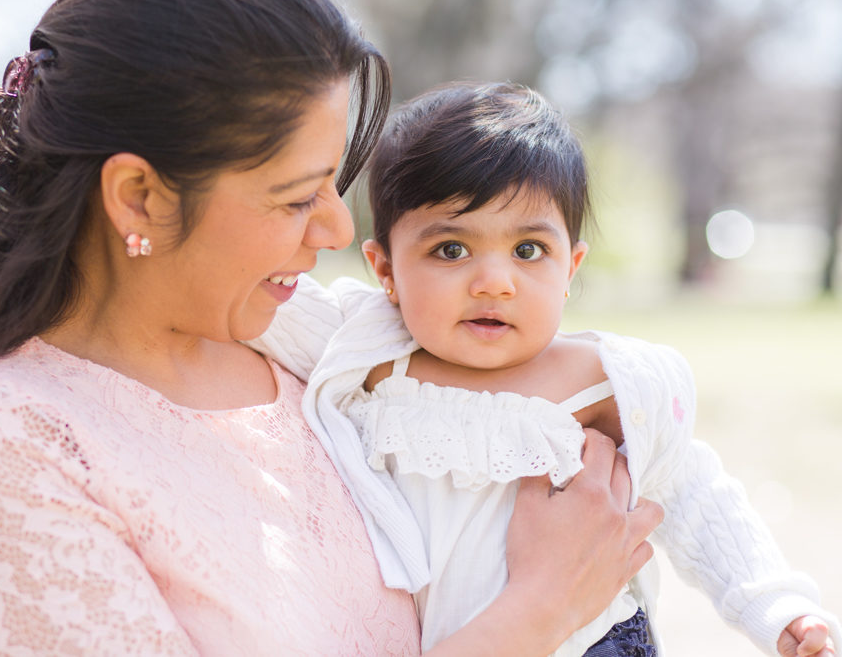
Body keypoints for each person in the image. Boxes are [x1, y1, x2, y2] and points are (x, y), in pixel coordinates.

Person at [0, 0, 664, 655]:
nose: (331, 230)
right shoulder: (2, 440)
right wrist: (537, 610)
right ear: (141, 197)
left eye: (334, 185)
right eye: (296, 196)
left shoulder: (314, 356)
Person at [261, 81, 841, 656]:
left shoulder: (606, 384)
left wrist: (775, 605)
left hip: (589, 644)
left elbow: (695, 493)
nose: (495, 281)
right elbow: (244, 295)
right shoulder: (367, 349)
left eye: (529, 250)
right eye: (451, 250)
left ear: (571, 266)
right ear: (385, 270)